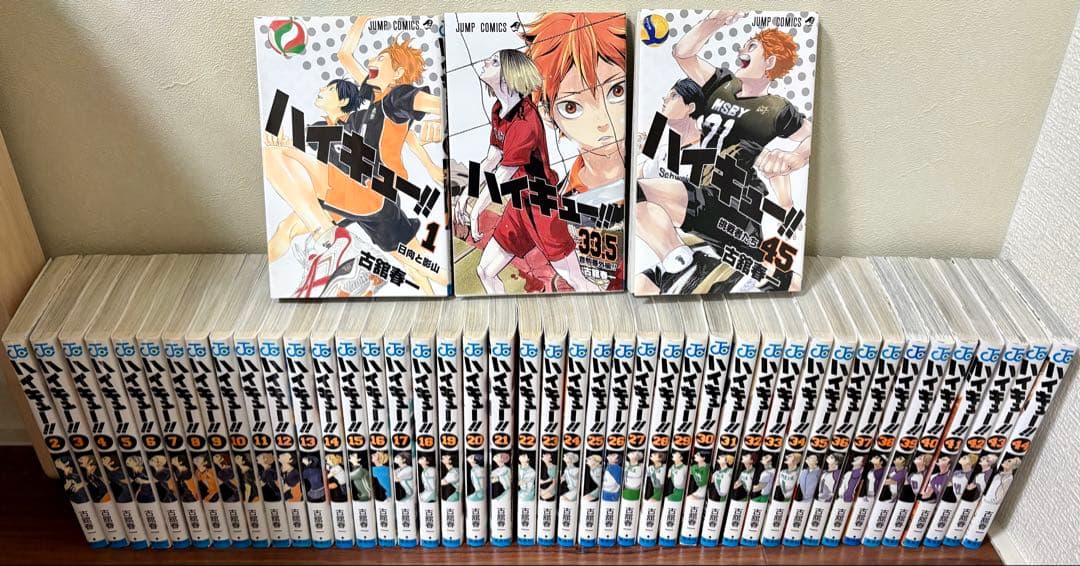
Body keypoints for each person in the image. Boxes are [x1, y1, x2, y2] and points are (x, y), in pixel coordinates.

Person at [263, 16, 446, 296]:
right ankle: (286, 273)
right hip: (358, 194)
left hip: (372, 192)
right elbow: (344, 55)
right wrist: (362, 17)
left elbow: (441, 104)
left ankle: (329, 239)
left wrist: (438, 122)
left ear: (397, 73)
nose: (372, 59)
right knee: (414, 263)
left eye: (381, 58)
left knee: (278, 155)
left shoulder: (398, 98)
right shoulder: (366, 109)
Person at [636, 11, 812, 294]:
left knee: (770, 274)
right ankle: (679, 260)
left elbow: (811, 135)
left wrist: (796, 156)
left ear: (769, 62)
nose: (742, 49)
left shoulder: (777, 109)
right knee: (636, 195)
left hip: (736, 203)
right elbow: (683, 53)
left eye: (752, 46)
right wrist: (714, 22)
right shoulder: (722, 84)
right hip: (704, 192)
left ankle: (775, 280)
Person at [454, 47, 599, 294]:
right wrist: (467, 193)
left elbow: (503, 175)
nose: (486, 61)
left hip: (542, 207)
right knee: (485, 271)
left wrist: (477, 209)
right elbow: (492, 159)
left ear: (510, 74)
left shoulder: (525, 121)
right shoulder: (499, 110)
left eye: (494, 61)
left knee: (577, 281)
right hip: (519, 205)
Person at [636, 78, 706, 181]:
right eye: (666, 96)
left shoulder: (705, 149)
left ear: (690, 108)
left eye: (673, 96)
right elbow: (636, 174)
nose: (664, 99)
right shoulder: (668, 148)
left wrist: (659, 122)